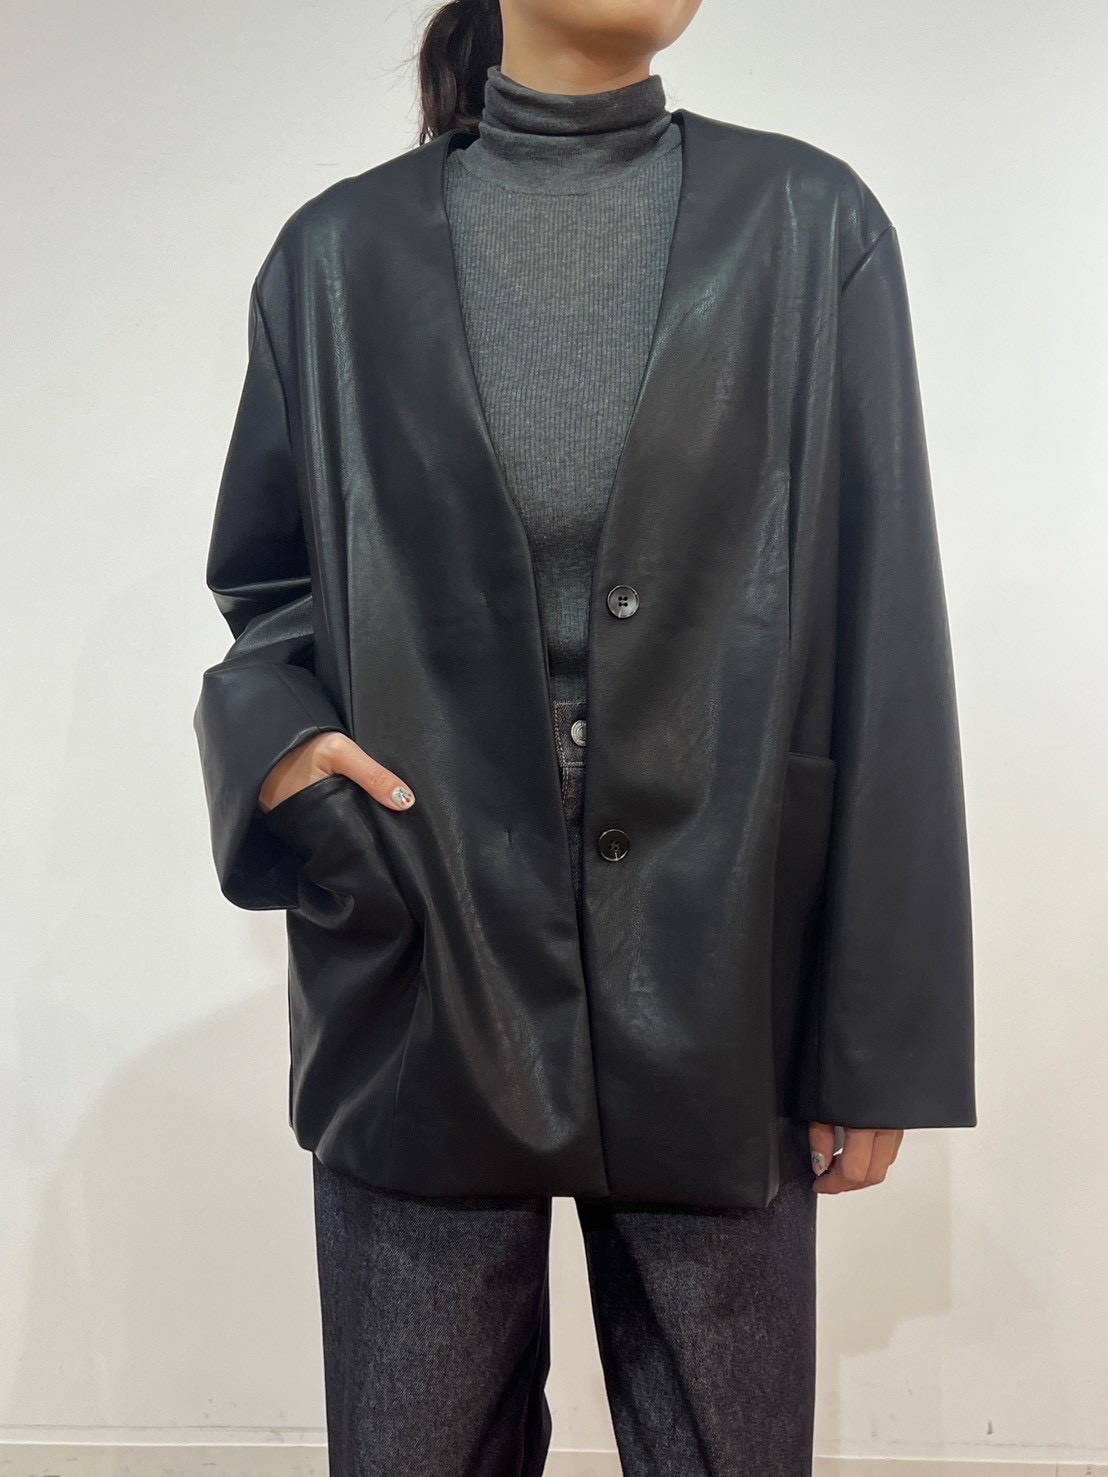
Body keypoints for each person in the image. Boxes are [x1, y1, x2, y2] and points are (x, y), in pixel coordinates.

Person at [193, 1, 977, 1472]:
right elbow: (269, 589)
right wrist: (287, 751)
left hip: (723, 954)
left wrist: (878, 1036)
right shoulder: (336, 260)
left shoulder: (812, 229)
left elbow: (884, 623)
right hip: (422, 945)